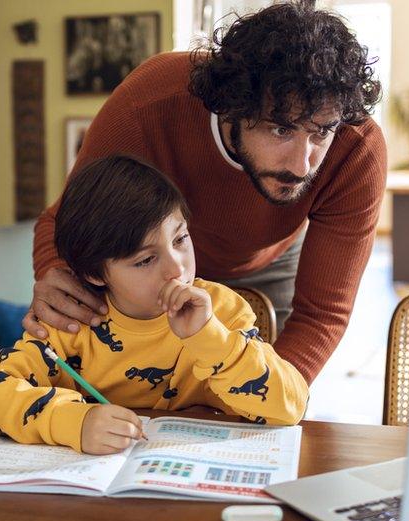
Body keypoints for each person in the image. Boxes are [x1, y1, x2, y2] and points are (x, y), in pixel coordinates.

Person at [26, 1, 386, 385]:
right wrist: (56, 274)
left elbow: (321, 315)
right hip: (149, 264)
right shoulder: (147, 105)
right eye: (281, 130)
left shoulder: (357, 149)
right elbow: (64, 221)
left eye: (320, 133)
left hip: (270, 263)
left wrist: (269, 399)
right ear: (232, 106)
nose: (302, 166)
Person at [0, 156, 308, 455]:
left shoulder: (223, 310)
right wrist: (72, 422)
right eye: (146, 260)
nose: (176, 268)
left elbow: (291, 406)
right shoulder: (71, 324)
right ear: (94, 273)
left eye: (180, 239)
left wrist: (211, 337)